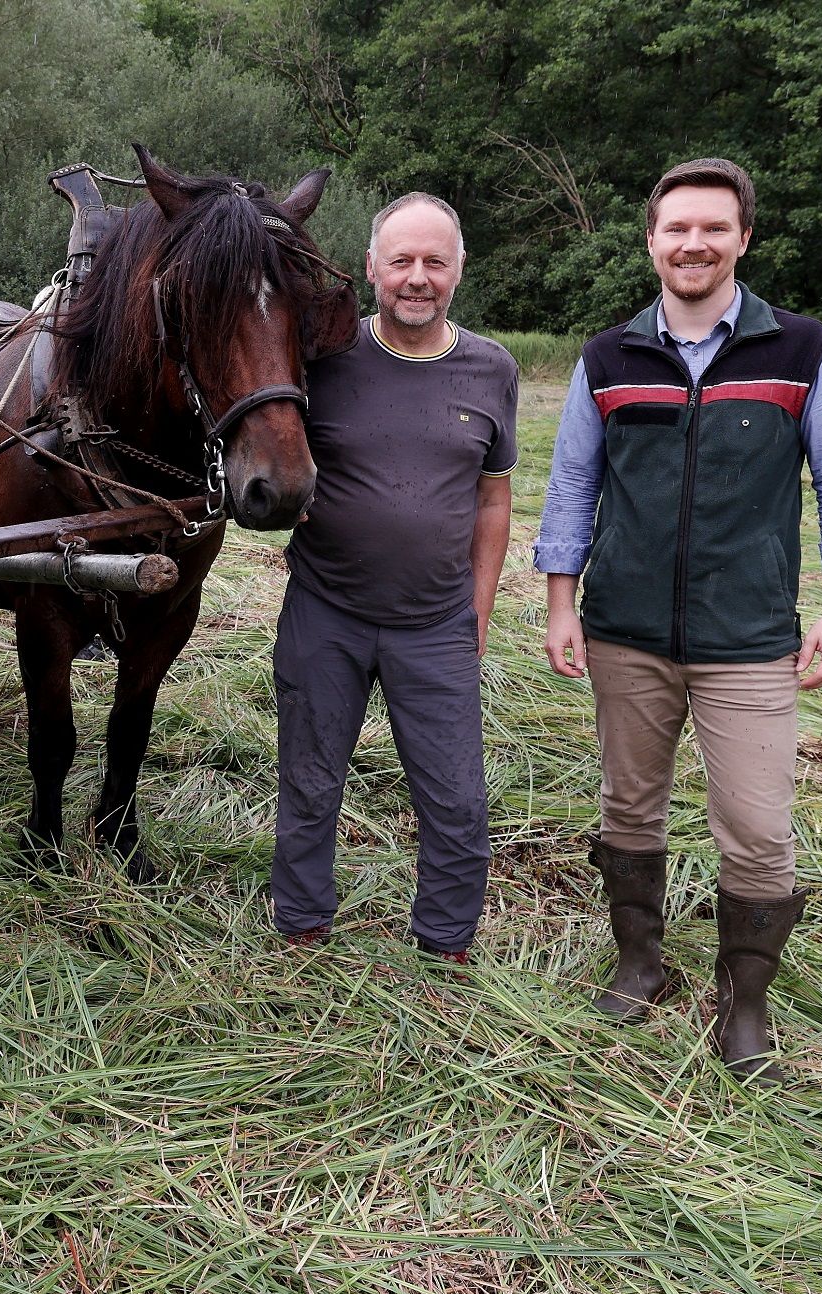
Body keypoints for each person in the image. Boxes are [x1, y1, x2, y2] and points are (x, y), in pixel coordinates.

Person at [535, 157, 822, 1083]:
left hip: (750, 638)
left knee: (758, 826)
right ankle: (640, 963)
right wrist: (562, 603)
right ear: (651, 240)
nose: (694, 243)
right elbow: (572, 485)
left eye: (713, 228)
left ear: (743, 238)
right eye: (676, 228)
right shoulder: (607, 358)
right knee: (627, 805)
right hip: (624, 632)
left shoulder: (804, 352)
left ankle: (747, 1001)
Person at [270, 193, 518, 963]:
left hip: (436, 623)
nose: (418, 278)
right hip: (325, 612)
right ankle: (301, 922)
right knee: (310, 782)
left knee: (455, 800)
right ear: (371, 265)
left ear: (458, 269)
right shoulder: (325, 359)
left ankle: (445, 943)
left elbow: (493, 498)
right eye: (401, 260)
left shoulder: (492, 368)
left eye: (434, 262)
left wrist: (476, 610)